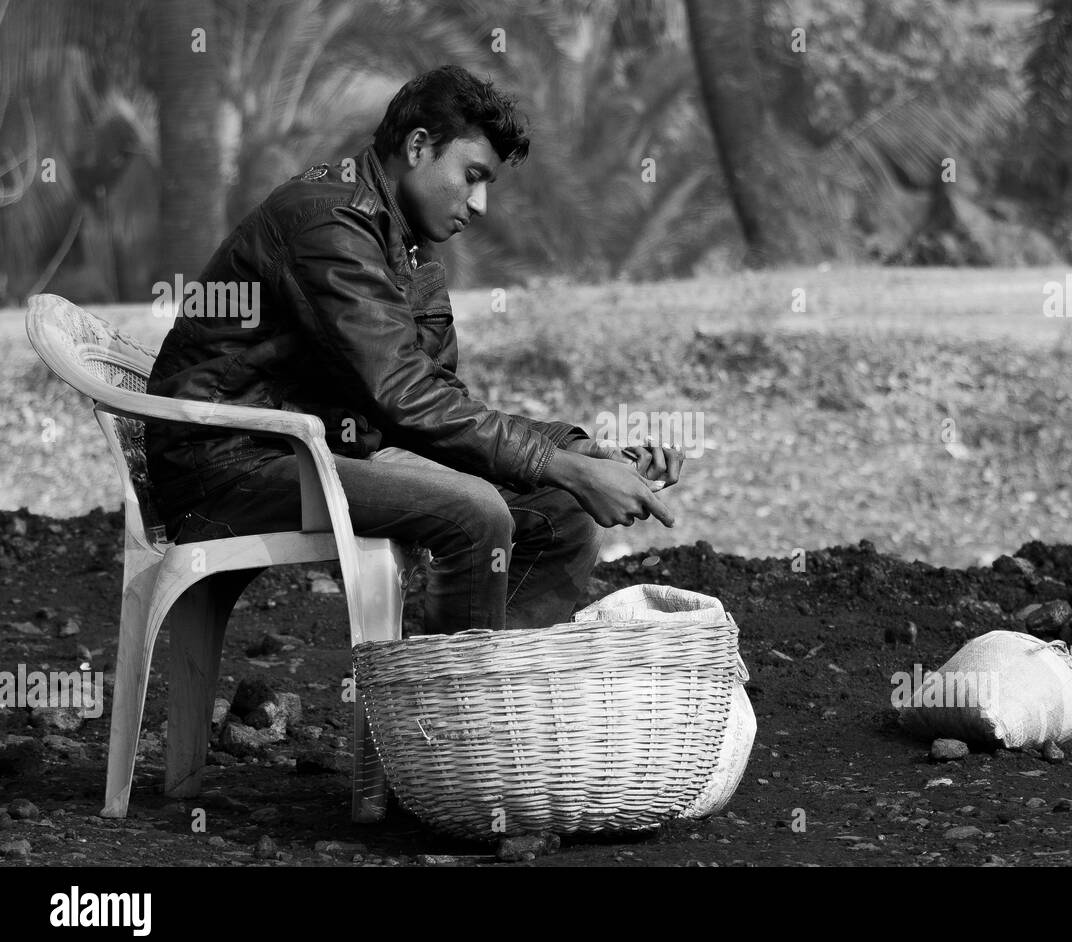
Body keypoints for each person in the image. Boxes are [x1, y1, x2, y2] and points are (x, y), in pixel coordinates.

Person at [144, 65, 684, 634]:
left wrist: (582, 453)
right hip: (230, 465)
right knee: (474, 512)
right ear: (418, 147)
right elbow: (404, 396)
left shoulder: (405, 243)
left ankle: (487, 680)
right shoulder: (330, 223)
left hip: (308, 454)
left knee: (561, 514)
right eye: (472, 176)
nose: (480, 204)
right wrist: (563, 466)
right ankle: (448, 690)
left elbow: (439, 400)